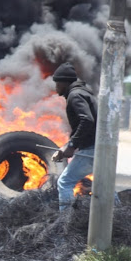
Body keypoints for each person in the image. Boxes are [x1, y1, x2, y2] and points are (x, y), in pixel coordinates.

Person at [50, 62, 98, 211]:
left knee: (64, 182)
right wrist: (67, 146)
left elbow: (87, 120)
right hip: (99, 147)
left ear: (64, 82)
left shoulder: (75, 95)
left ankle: (66, 222)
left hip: (91, 148)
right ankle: (117, 216)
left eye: (57, 83)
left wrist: (72, 146)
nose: (56, 87)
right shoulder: (84, 93)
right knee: (104, 186)